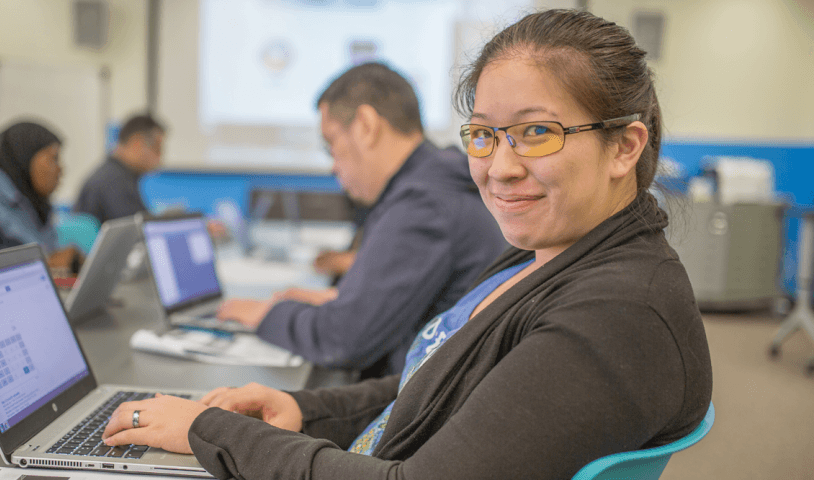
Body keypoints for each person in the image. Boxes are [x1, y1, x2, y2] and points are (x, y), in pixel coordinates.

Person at [99, 10, 713, 479]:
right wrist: (305, 410)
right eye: (483, 135)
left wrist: (210, 430)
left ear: (625, 146)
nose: (499, 168)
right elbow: (436, 380)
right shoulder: (549, 254)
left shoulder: (618, 312)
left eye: (535, 133)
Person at [216, 63, 506, 378]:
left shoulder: (424, 205)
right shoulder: (433, 184)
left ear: (366, 125)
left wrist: (266, 314)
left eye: (331, 145)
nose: (333, 166)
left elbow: (343, 340)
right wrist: (345, 299)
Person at [0, 121, 80, 271]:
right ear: (26, 155)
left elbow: (47, 250)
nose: (61, 169)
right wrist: (49, 264)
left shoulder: (28, 194)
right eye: (53, 159)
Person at [74, 114, 165, 224]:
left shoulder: (113, 174)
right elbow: (138, 230)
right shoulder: (114, 183)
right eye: (157, 149)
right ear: (137, 143)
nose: (160, 159)